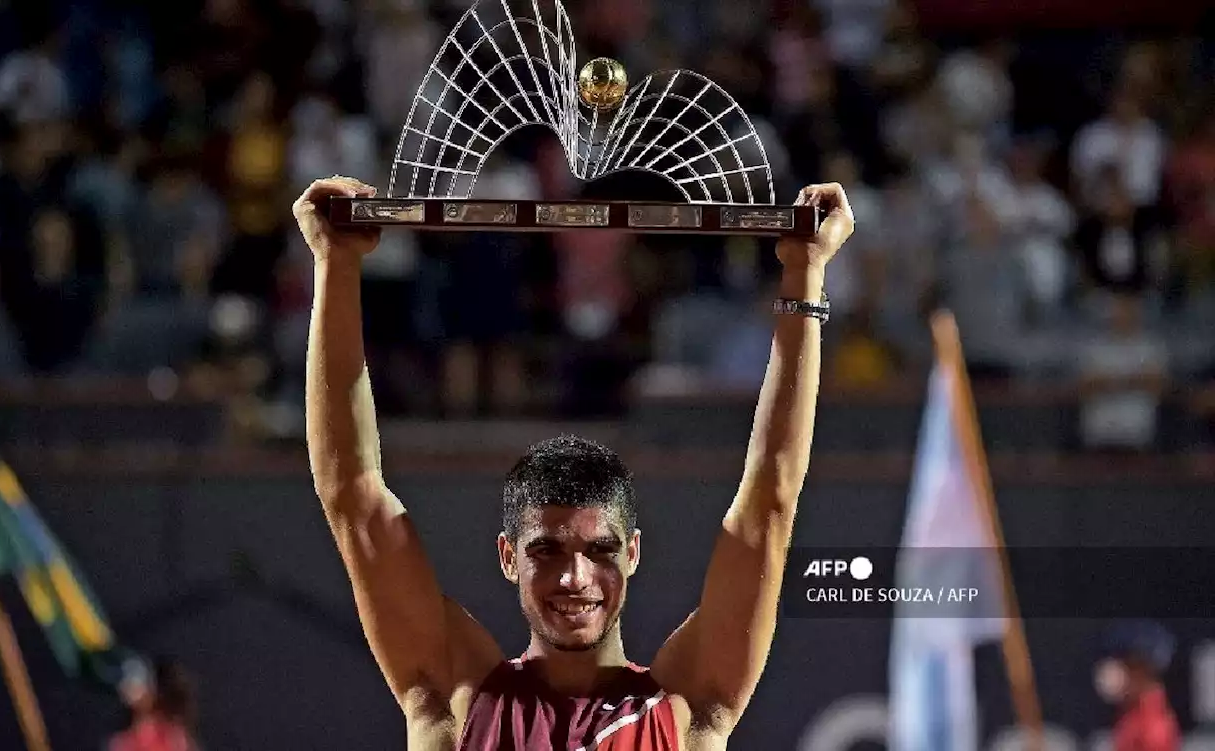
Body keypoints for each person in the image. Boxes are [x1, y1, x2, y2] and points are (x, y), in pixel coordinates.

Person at [292, 176, 854, 749]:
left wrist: (805, 272)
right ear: (509, 556)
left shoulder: (685, 716)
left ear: (632, 552)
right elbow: (353, 495)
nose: (575, 579)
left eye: (600, 550)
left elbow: (771, 501)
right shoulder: (456, 704)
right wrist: (335, 264)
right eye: (547, 550)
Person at [1094, 620, 1181, 751]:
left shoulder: (1153, 727)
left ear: (1140, 669)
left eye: (1124, 663)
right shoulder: (1131, 714)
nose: (1113, 670)